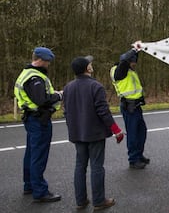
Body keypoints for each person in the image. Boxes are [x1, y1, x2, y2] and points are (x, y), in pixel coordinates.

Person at [63, 56, 124, 211]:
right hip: (95, 133)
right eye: (90, 64)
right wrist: (116, 130)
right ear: (87, 68)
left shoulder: (68, 87)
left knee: (80, 166)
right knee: (97, 166)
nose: (91, 65)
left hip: (77, 133)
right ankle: (99, 201)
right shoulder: (96, 86)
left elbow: (66, 112)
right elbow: (103, 111)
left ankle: (81, 200)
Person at [14, 47, 63, 202]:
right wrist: (59, 95)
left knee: (31, 153)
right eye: (48, 62)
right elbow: (41, 100)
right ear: (41, 60)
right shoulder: (35, 77)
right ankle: (40, 191)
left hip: (31, 118)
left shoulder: (26, 73)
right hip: (39, 120)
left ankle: (29, 185)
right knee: (38, 156)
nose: (49, 64)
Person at [110, 41, 149, 169]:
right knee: (133, 133)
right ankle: (133, 159)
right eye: (133, 62)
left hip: (136, 106)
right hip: (129, 107)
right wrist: (135, 49)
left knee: (141, 131)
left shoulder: (130, 71)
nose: (134, 64)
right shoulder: (119, 70)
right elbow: (125, 60)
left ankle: (139, 154)